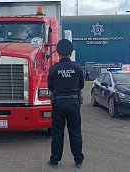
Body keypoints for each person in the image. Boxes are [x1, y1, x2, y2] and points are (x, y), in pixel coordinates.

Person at [47, 39, 85, 169]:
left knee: (57, 132)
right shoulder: (77, 67)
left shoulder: (53, 69)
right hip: (74, 103)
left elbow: (50, 87)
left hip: (58, 103)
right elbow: (81, 85)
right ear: (71, 52)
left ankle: (55, 160)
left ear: (58, 53)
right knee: (75, 131)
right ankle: (78, 160)